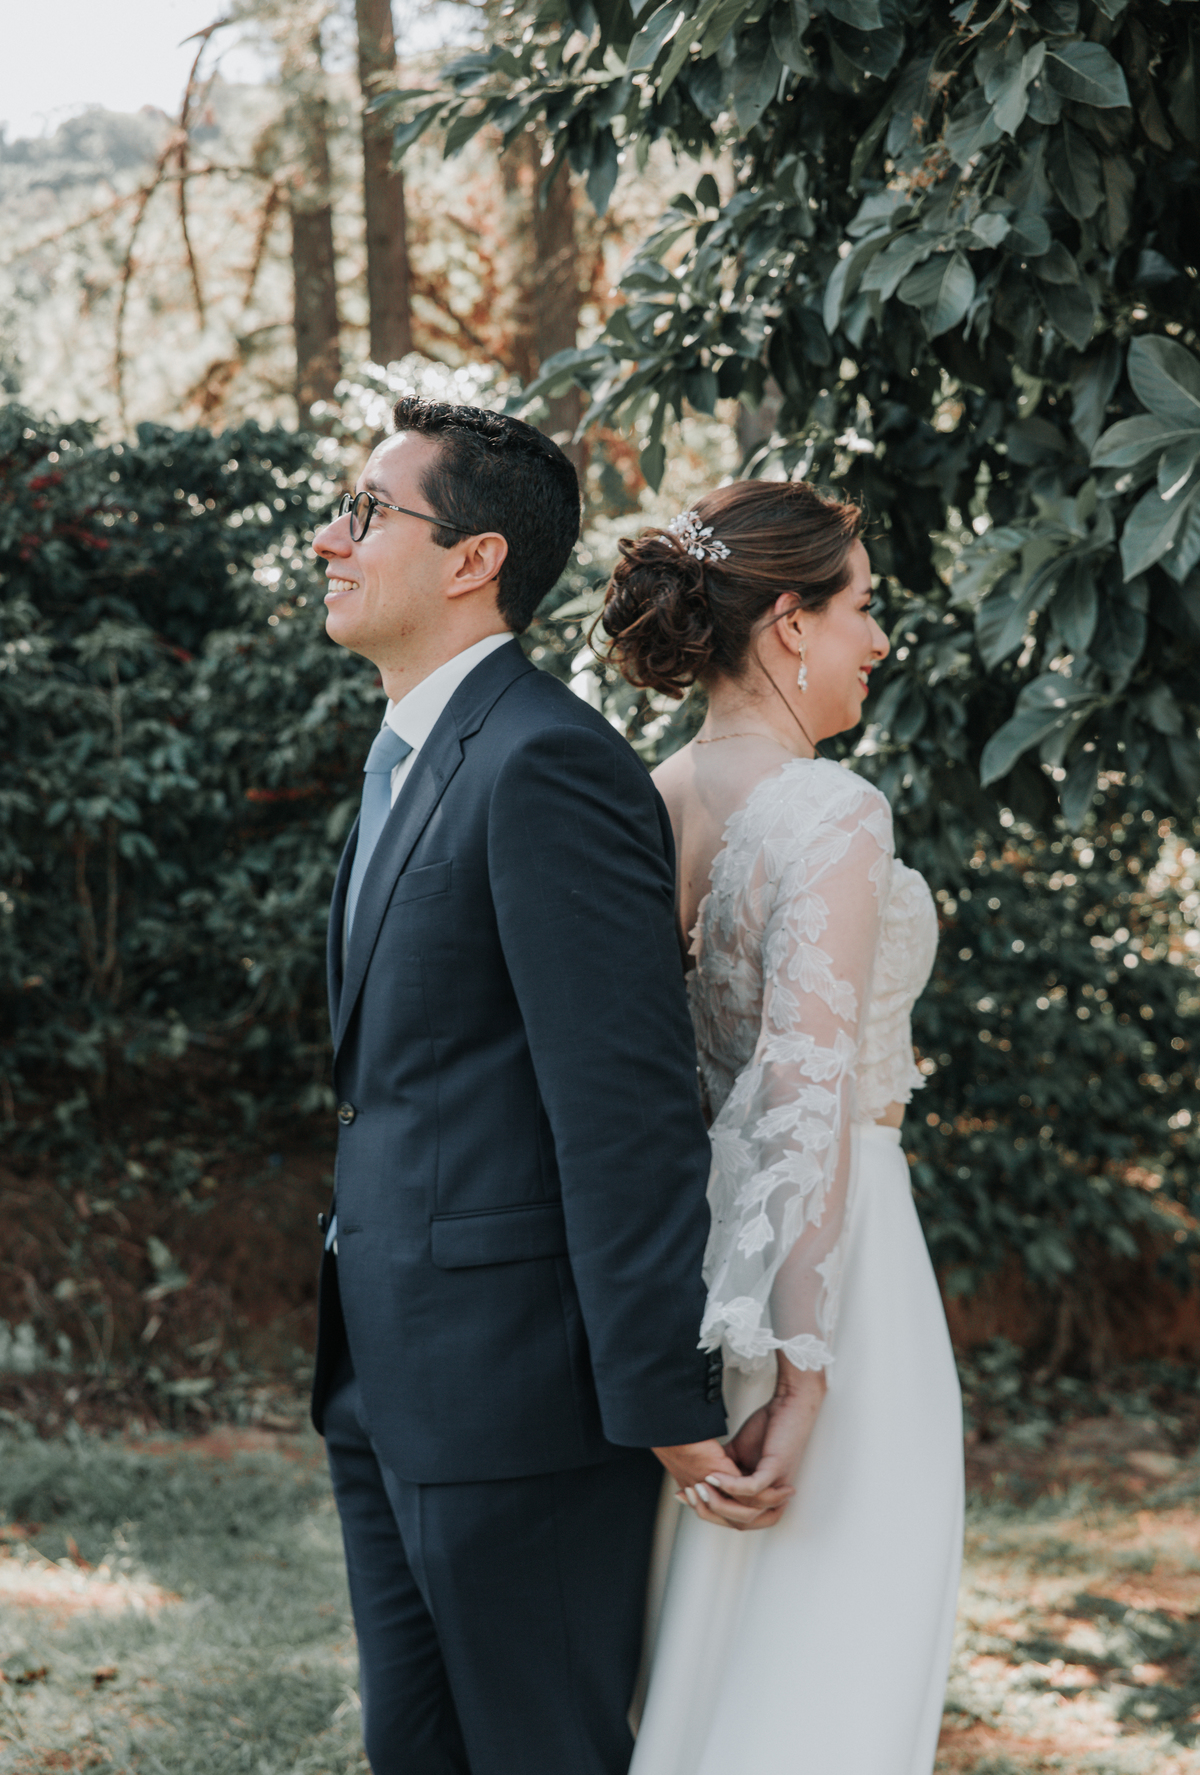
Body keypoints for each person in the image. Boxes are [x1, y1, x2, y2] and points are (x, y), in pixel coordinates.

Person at [307, 402, 787, 1775]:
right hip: (382, 1372)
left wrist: (666, 1396)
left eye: (368, 511)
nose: (333, 539)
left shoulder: (547, 764)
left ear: (474, 558)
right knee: (419, 1751)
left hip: (520, 1398)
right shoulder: (404, 758)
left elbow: (625, 1106)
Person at [595, 483, 964, 1775]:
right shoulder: (830, 813)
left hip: (694, 1278)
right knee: (837, 1665)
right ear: (790, 622)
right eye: (863, 609)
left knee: (714, 1650)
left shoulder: (643, 801)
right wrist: (809, 1377)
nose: (878, 641)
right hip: (834, 1279)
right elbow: (806, 1095)